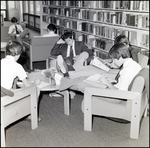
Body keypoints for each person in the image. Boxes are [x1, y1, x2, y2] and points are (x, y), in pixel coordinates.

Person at [1, 40, 41, 121]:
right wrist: (35, 83)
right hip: (6, 94)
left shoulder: (1, 61)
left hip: (1, 91)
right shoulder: (17, 66)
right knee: (36, 89)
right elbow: (27, 86)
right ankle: (30, 114)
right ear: (18, 55)